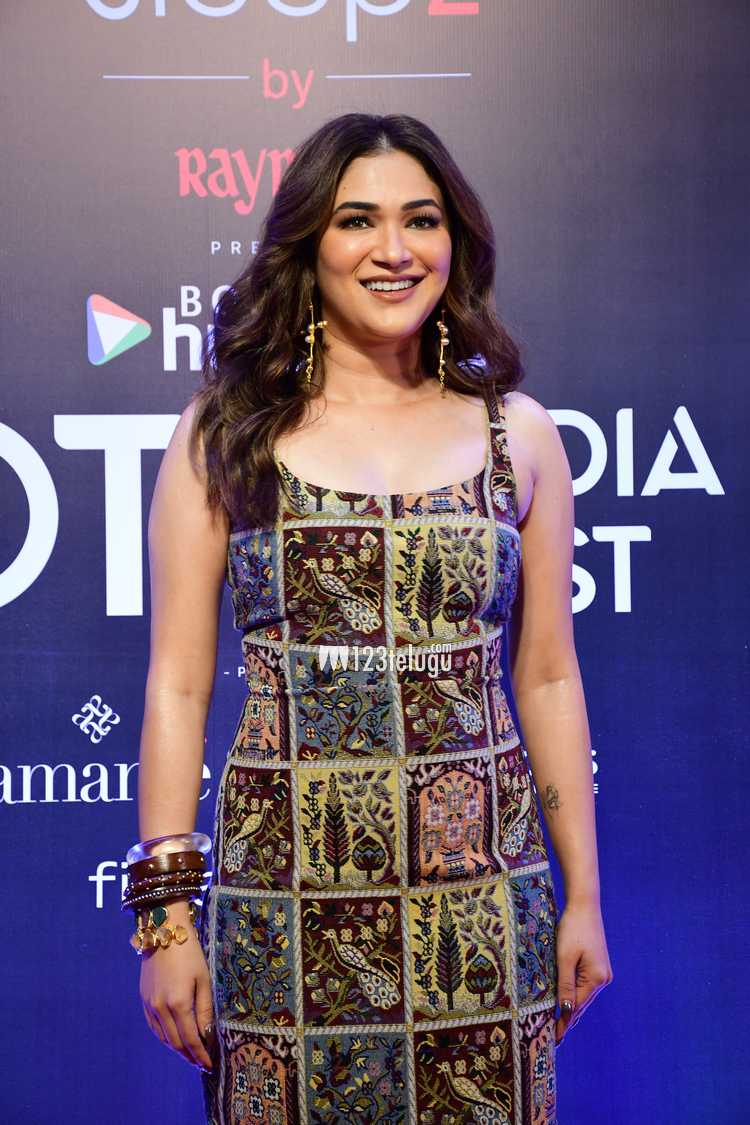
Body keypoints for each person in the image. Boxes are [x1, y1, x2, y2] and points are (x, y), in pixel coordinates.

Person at [128, 112, 613, 1123]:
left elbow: (548, 677)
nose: (395, 250)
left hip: (484, 907)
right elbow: (177, 683)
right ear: (309, 243)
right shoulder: (228, 433)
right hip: (284, 904)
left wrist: (584, 899)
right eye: (358, 221)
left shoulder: (518, 435)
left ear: (455, 243)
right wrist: (168, 925)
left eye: (421, 220)